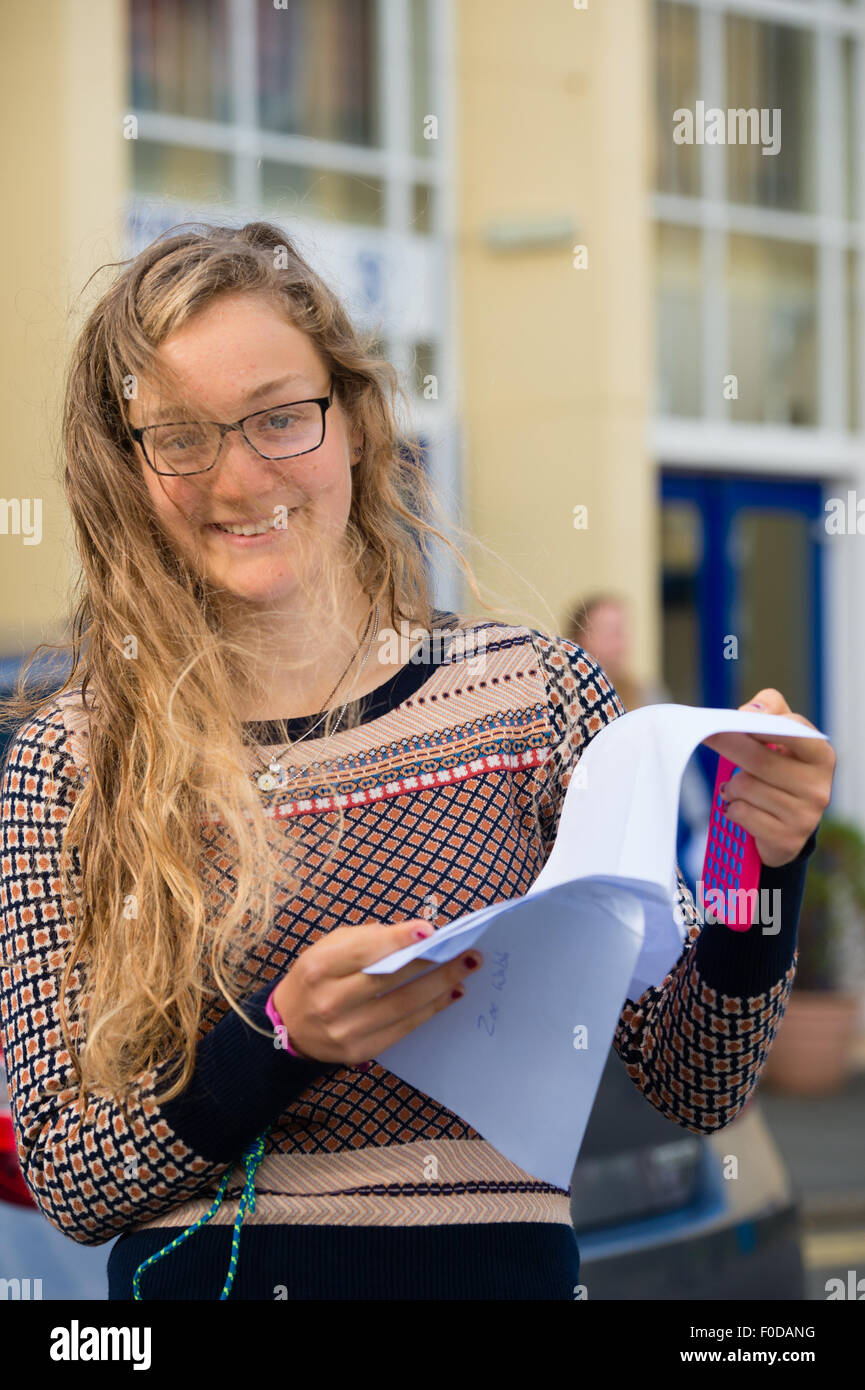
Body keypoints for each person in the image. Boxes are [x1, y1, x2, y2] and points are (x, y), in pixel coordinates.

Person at [0, 222, 835, 1302]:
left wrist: (753, 859)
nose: (240, 476)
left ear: (350, 421)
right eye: (180, 435)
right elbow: (70, 1174)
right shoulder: (75, 760)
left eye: (278, 417)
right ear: (130, 465)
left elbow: (695, 1078)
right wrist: (280, 1041)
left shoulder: (536, 697)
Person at [565, 593, 713, 884]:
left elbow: (681, 762)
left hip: (645, 841)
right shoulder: (562, 698)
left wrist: (701, 825)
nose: (621, 644)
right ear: (579, 638)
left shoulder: (645, 695)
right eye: (611, 633)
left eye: (624, 633)